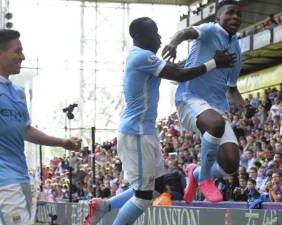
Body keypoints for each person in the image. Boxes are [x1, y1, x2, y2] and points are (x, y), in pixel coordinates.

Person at [84, 17, 236, 225]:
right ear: (141, 36)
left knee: (156, 187)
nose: (160, 37)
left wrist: (205, 62)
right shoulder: (142, 57)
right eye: (155, 33)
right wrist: (214, 63)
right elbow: (179, 74)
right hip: (136, 133)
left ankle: (105, 206)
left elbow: (180, 68)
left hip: (144, 132)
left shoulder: (141, 57)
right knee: (143, 198)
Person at [0, 29, 82, 225]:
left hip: (20, 174)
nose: (22, 57)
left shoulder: (18, 92)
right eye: (18, 51)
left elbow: (26, 130)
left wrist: (63, 142)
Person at [161, 0, 243, 204]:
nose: (235, 17)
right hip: (189, 98)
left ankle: (196, 173)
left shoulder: (236, 48)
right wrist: (173, 43)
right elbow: (186, 32)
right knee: (215, 124)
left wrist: (241, 103)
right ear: (218, 18)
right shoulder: (209, 30)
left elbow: (232, 88)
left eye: (238, 15)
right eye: (230, 13)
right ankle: (206, 176)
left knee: (230, 165)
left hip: (217, 107)